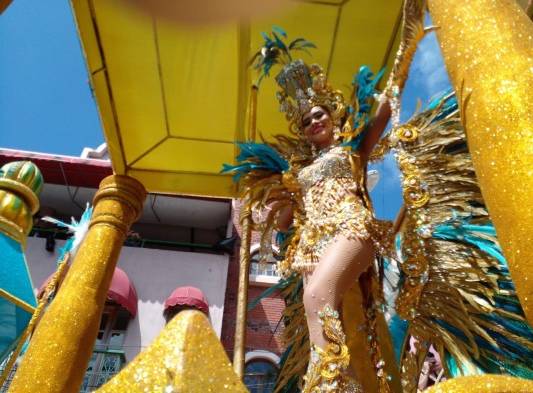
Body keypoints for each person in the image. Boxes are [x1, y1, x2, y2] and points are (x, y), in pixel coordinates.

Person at [270, 60, 395, 392]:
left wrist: (402, 60)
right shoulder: (300, 171)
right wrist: (279, 195)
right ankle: (352, 383)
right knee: (346, 321)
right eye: (306, 120)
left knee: (316, 296)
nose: (313, 121)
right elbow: (283, 222)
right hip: (313, 246)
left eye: (318, 114)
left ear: (333, 114)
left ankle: (326, 384)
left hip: (350, 227)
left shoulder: (351, 149)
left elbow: (382, 112)